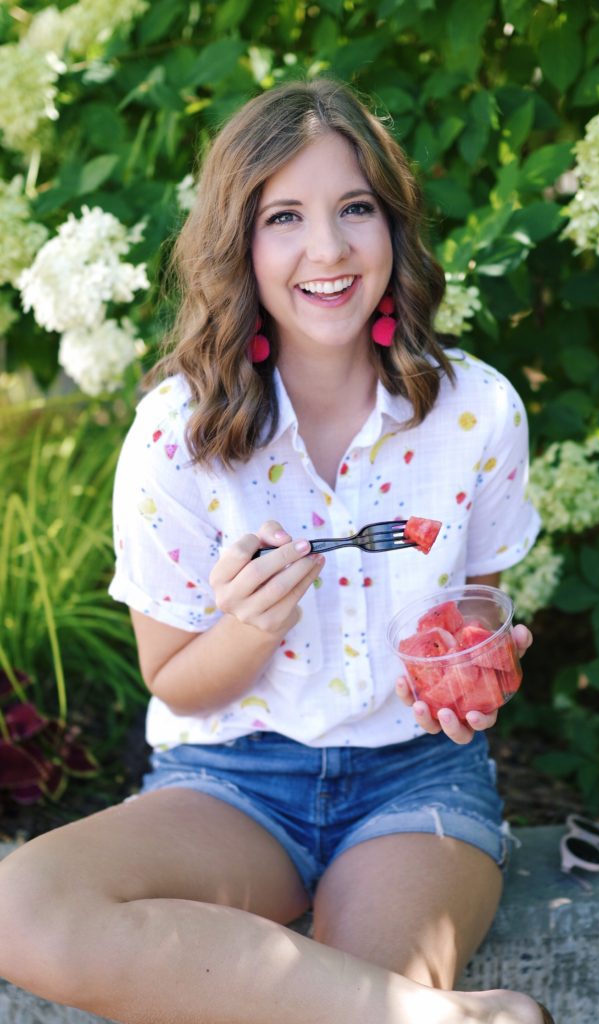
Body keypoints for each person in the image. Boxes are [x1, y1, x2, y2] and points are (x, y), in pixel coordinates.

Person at [0, 78, 553, 1024]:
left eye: (355, 209)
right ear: (238, 244)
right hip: (229, 788)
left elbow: (469, 612)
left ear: (393, 226)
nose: (327, 249)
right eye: (283, 217)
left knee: (344, 988)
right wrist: (252, 626)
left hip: (414, 782)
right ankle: (446, 1019)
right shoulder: (176, 436)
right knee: (20, 909)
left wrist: (473, 670)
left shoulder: (476, 411)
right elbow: (175, 683)